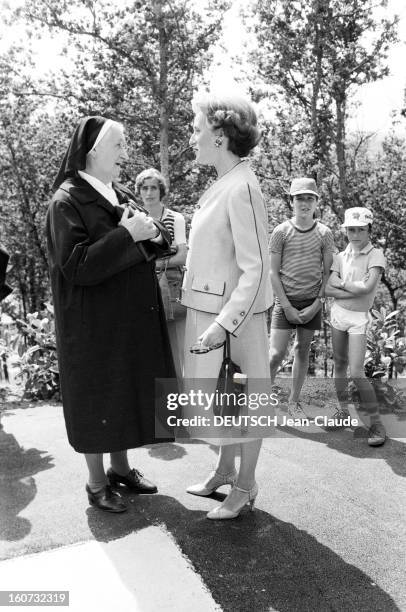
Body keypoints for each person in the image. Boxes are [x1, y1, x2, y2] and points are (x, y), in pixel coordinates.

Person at [46, 116, 176, 513]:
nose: (124, 153)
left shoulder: (114, 191)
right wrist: (128, 235)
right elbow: (77, 264)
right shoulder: (65, 201)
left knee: (120, 391)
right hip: (93, 325)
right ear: (92, 150)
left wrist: (151, 233)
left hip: (123, 320)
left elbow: (159, 237)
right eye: (118, 146)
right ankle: (96, 481)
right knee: (98, 396)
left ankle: (120, 469)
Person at [182, 93, 273, 520]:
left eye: (197, 126)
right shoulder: (224, 181)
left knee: (245, 400)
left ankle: (245, 484)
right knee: (221, 400)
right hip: (212, 312)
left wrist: (224, 324)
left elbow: (255, 270)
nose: (192, 134)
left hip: (237, 319)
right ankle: (223, 469)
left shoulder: (243, 186)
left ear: (219, 135)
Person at [269, 178, 335, 417]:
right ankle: (260, 401)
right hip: (284, 301)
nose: (304, 203)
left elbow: (328, 273)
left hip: (312, 302)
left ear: (317, 201)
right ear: (291, 201)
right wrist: (286, 306)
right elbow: (272, 273)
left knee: (302, 349)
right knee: (275, 354)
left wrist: (317, 303)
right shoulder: (281, 232)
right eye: (299, 198)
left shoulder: (325, 233)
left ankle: (293, 402)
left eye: (309, 198)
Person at [325, 207, 386, 446]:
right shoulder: (340, 256)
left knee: (357, 372)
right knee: (339, 365)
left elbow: (367, 289)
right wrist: (351, 286)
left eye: (361, 229)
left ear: (369, 229)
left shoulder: (376, 255)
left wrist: (342, 285)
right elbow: (328, 289)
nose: (356, 234)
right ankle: (342, 412)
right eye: (351, 229)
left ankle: (376, 424)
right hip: (338, 315)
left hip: (359, 318)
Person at [135, 168, 187, 378]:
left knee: (177, 353)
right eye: (144, 188)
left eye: (153, 188)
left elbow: (182, 257)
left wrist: (149, 262)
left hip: (171, 291)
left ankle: (182, 405)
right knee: (146, 351)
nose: (149, 193)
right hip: (141, 290)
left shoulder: (175, 219)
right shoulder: (135, 218)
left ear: (161, 190)